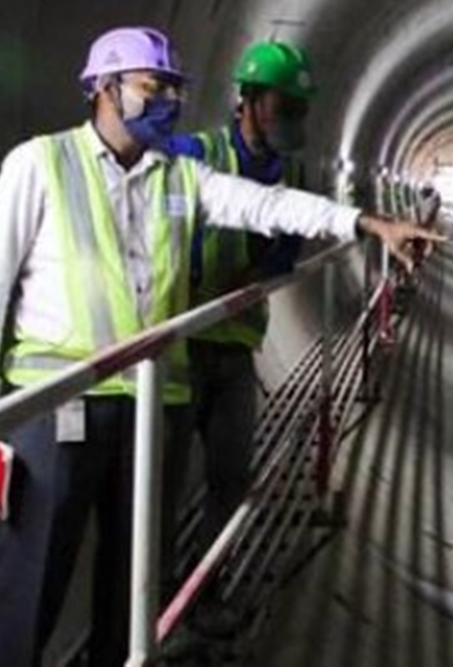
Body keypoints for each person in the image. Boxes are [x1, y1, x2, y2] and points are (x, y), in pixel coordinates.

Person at [0, 26, 437, 667]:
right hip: (57, 409)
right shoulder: (40, 164)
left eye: (175, 91)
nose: (169, 103)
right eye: (153, 87)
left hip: (153, 406)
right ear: (104, 88)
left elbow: (269, 204)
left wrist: (366, 222)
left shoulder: (181, 176)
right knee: (32, 576)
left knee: (134, 581)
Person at [159, 41, 315, 562]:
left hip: (236, 347)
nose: (291, 117)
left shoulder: (292, 175)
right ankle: (149, 602)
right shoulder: (195, 155)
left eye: (298, 107)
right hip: (181, 349)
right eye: (282, 103)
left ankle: (206, 592)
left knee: (231, 477)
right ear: (247, 99)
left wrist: (250, 275)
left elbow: (285, 255)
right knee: (162, 482)